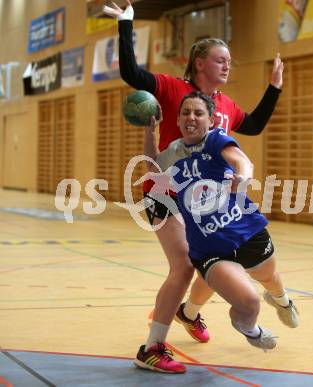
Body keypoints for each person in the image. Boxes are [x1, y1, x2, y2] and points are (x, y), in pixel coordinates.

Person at [103, 0, 285, 374]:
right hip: (166, 191)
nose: (228, 64)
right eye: (221, 59)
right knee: (185, 265)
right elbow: (133, 74)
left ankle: (189, 313)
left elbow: (251, 126)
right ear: (200, 63)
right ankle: (152, 347)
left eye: (230, 60)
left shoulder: (224, 104)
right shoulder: (173, 89)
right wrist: (126, 24)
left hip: (204, 203)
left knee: (211, 262)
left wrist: (274, 90)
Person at [141, 91, 299, 358]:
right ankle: (251, 331)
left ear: (211, 120)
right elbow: (154, 167)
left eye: (198, 113)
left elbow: (242, 161)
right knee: (249, 304)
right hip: (210, 250)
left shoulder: (215, 140)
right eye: (185, 112)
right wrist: (150, 131)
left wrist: (243, 177)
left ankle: (282, 299)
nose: (191, 117)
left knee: (269, 277)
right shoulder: (174, 152)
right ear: (178, 120)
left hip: (246, 232)